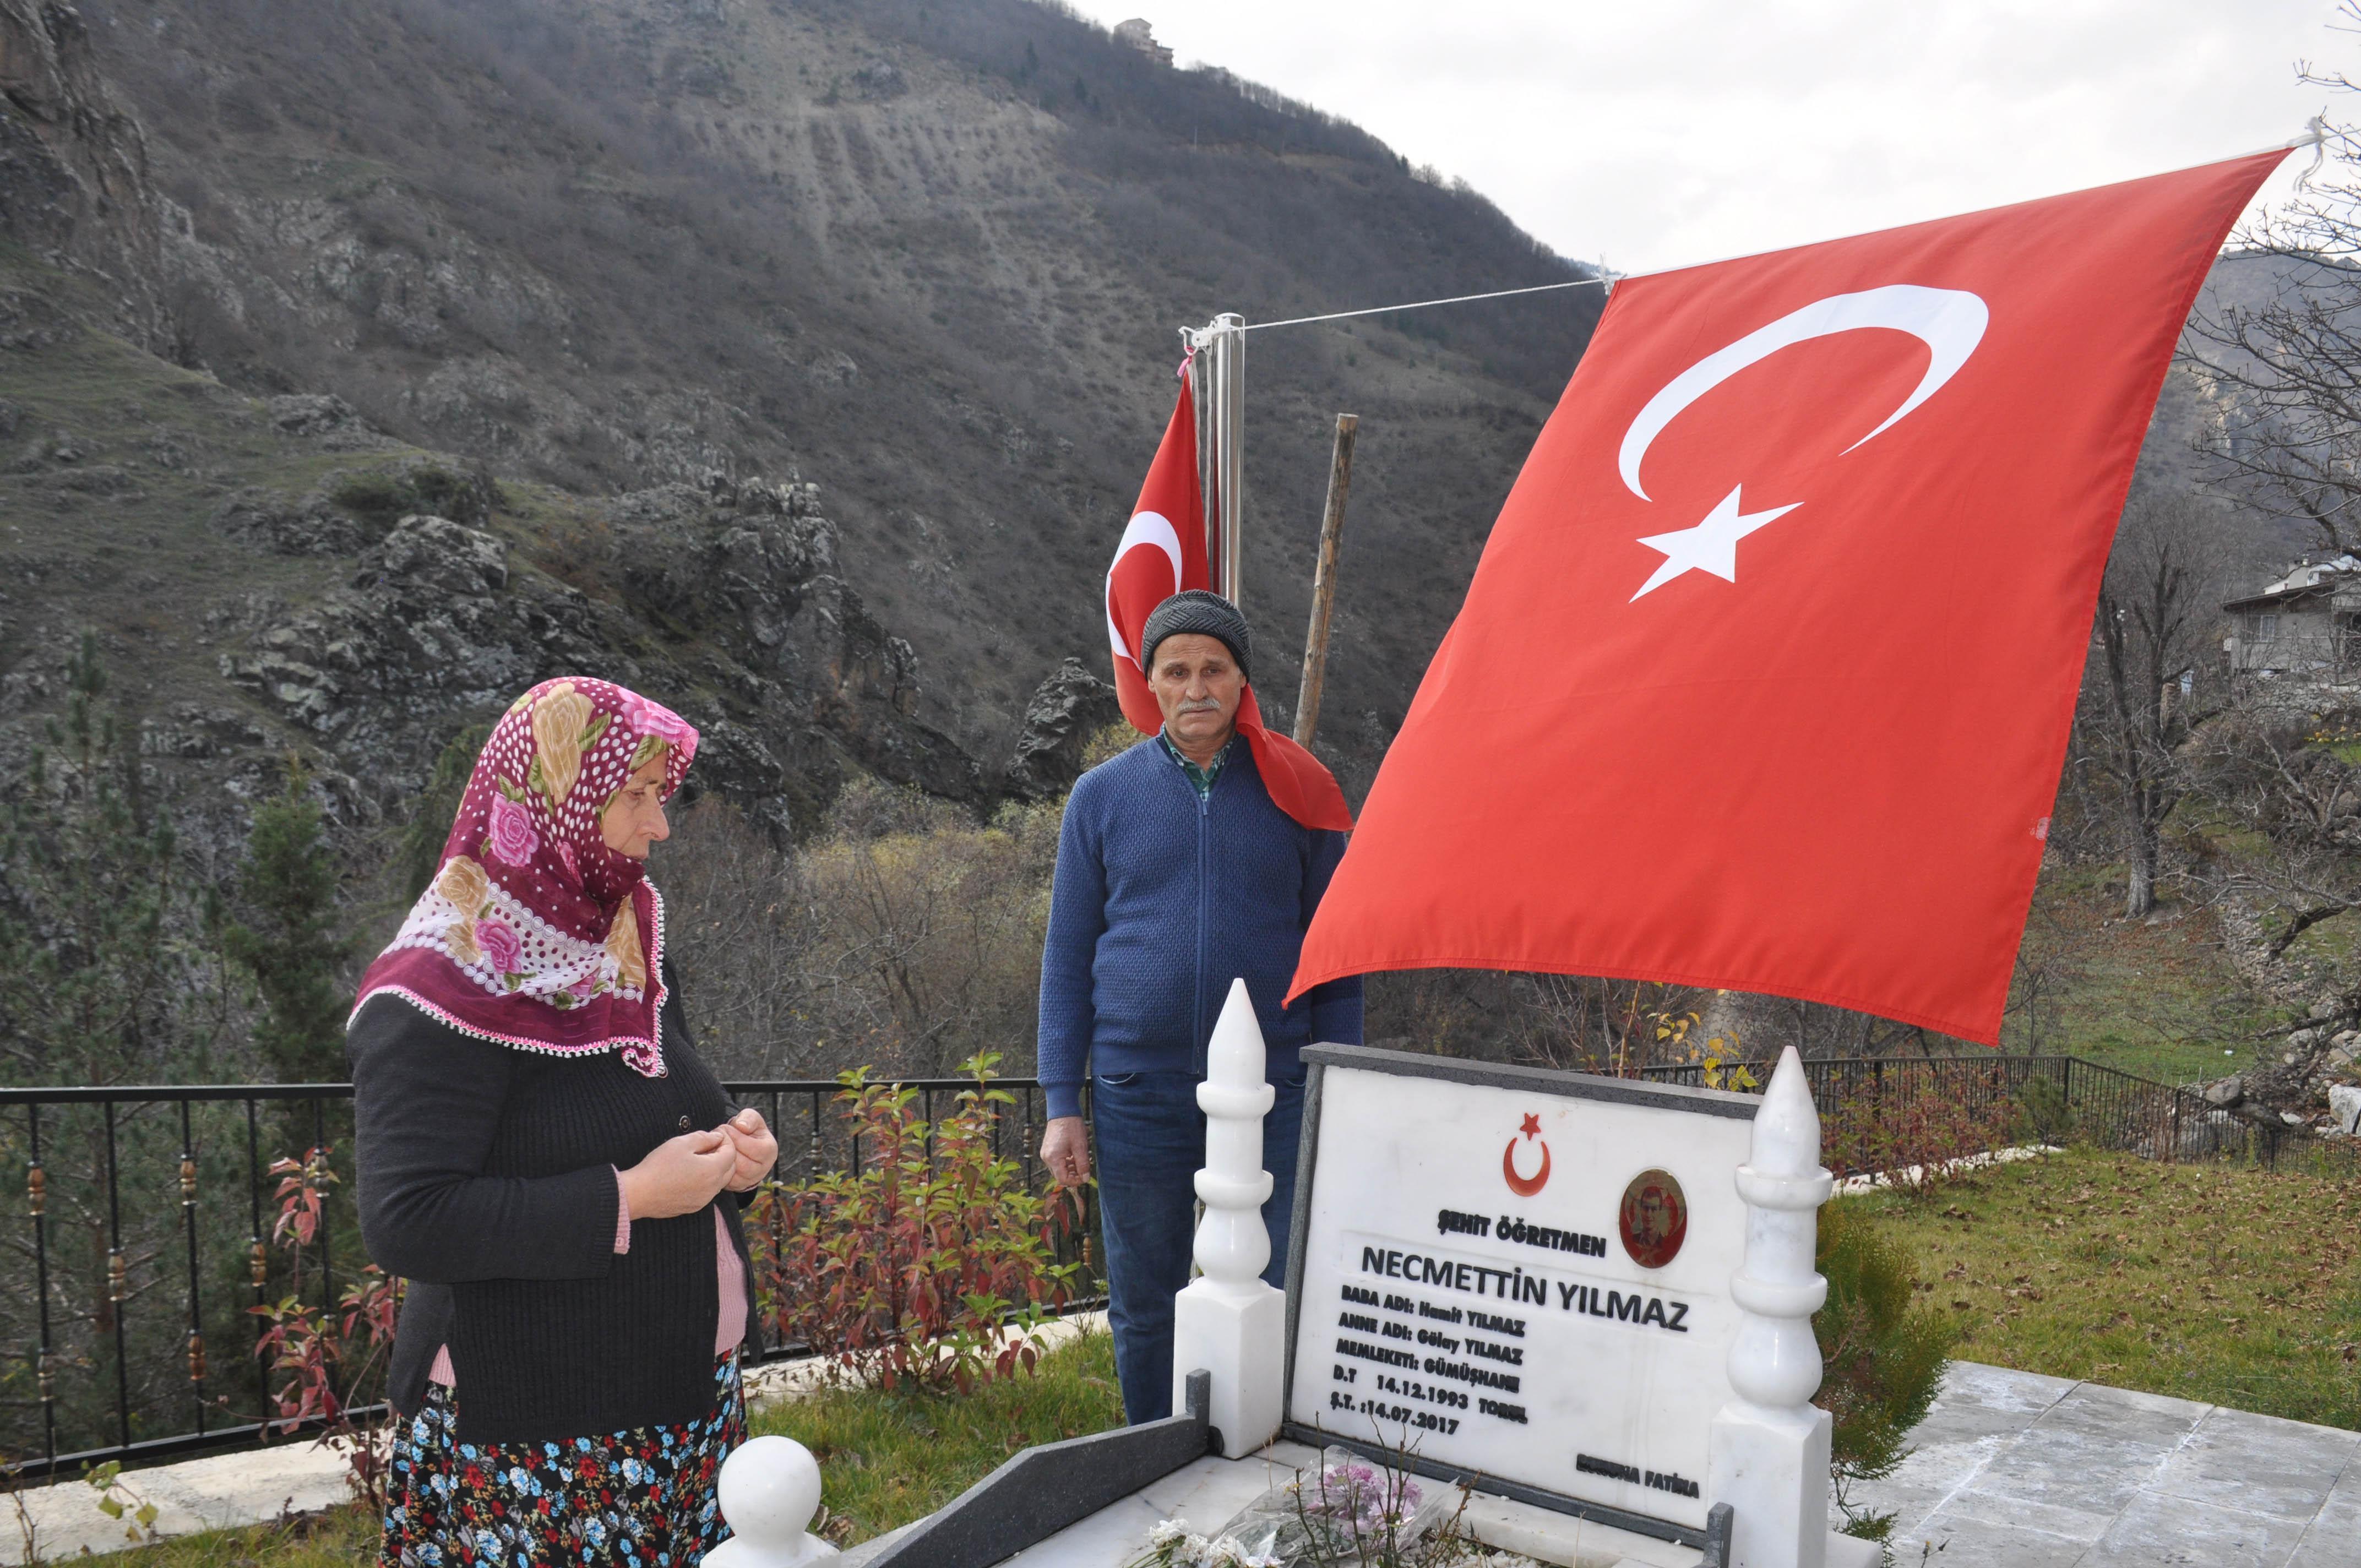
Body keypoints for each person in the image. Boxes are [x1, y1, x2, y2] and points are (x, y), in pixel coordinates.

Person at [350, 676, 780, 1568]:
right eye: (635, 795)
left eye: (662, 794)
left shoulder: (618, 938)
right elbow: (409, 1221)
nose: (659, 824)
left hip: (678, 1401)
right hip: (540, 1437)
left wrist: (738, 1148)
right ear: (554, 799)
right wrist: (630, 1197)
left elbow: (667, 1099)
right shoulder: (438, 984)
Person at [1036, 590, 1363, 1423]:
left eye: (1213, 668)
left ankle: (1267, 1446)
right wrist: (1061, 1105)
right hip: (1135, 1093)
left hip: (1278, 1093)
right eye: (1175, 671)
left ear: (1242, 677)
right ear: (1151, 685)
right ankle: (1153, 1453)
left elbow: (1339, 957)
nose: (1196, 687)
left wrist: (1343, 1091)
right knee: (1144, 1301)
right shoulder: (1100, 798)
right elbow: (1068, 959)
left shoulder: (1303, 791)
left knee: (1277, 1286)